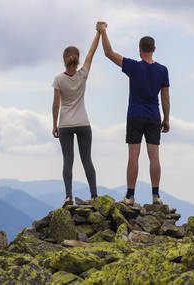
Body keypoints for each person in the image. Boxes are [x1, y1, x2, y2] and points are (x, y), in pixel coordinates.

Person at [98, 21, 171, 205]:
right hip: (154, 115)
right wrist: (166, 118)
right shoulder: (162, 70)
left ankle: (130, 196)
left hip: (135, 115)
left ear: (140, 49)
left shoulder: (134, 66)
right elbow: (165, 97)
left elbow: (108, 53)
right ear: (154, 49)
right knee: (154, 155)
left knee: (133, 155)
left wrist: (103, 31)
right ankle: (156, 196)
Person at [52, 24, 101, 207]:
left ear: (64, 59)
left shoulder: (58, 79)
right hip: (83, 122)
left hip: (65, 124)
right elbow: (92, 52)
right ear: (77, 59)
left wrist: (54, 124)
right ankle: (95, 196)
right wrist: (99, 32)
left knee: (68, 161)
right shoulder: (83, 75)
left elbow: (56, 104)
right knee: (86, 159)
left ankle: (68, 197)